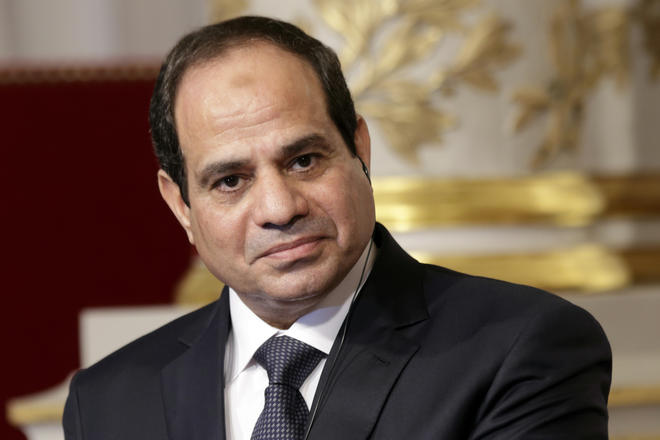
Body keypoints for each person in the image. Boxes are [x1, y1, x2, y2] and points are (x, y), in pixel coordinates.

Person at [63, 16, 611, 440]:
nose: (279, 208)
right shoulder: (107, 403)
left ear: (359, 149)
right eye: (230, 180)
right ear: (180, 204)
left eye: (304, 160)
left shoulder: (520, 348)